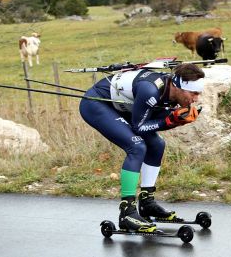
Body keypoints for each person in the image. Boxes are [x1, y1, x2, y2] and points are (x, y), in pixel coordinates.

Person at [79, 63, 204, 233]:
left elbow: (156, 122)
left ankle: (146, 203)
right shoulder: (150, 91)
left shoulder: (171, 93)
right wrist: (170, 121)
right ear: (178, 86)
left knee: (157, 145)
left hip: (121, 107)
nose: (196, 99)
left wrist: (175, 121)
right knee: (137, 147)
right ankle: (127, 212)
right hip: (96, 104)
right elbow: (140, 127)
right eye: (193, 93)